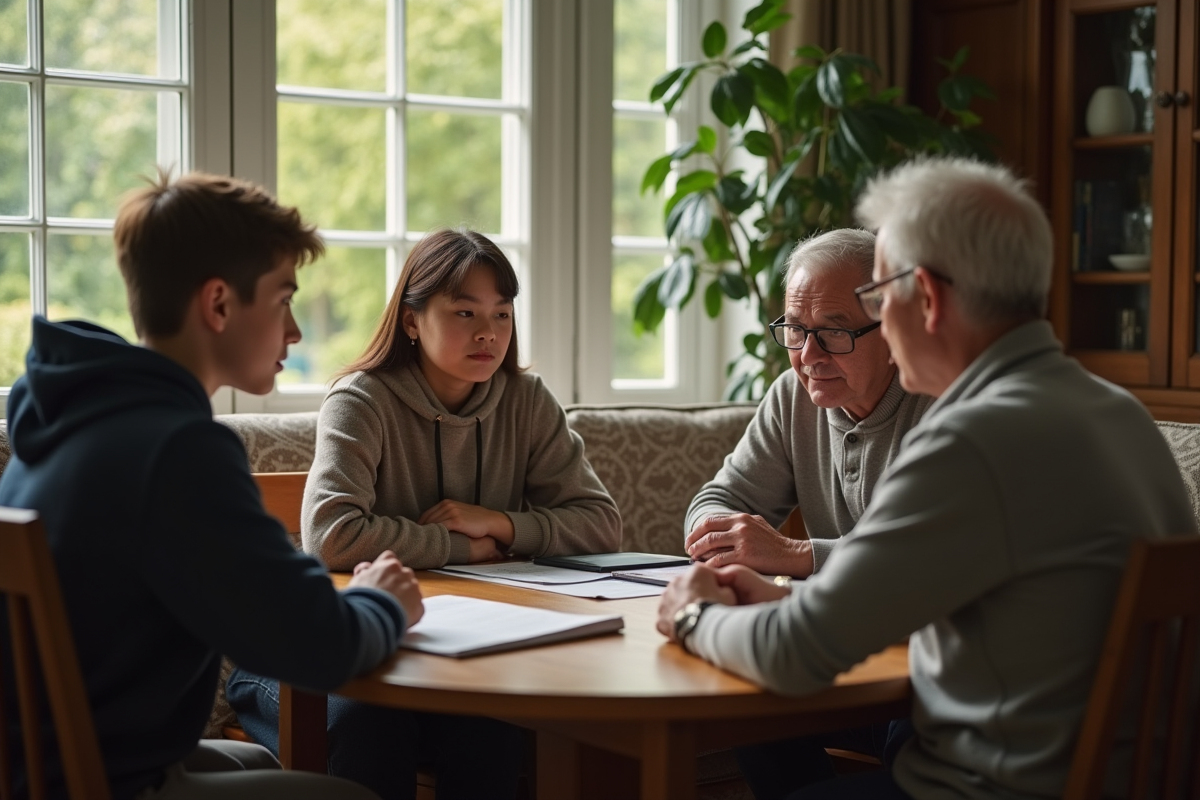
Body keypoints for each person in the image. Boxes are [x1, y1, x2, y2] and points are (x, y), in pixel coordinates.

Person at [658, 157, 1200, 800]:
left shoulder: (973, 438)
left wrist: (692, 614)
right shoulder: (1115, 411)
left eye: (882, 299)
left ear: (929, 299)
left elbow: (793, 655)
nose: (883, 321)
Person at [0, 171, 424, 800]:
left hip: (47, 769)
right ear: (219, 303)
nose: (295, 331)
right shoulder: (175, 449)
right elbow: (319, 645)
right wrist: (383, 600)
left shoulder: (70, 421)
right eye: (283, 299)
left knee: (253, 767)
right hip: (110, 783)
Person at [228, 228, 622, 800]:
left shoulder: (527, 401)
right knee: (371, 727)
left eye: (502, 314)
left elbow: (601, 523)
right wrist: (465, 547)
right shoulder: (361, 400)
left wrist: (501, 524)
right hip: (310, 658)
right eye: (464, 312)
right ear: (412, 320)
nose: (489, 332)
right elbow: (332, 537)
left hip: (446, 656)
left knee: (494, 732)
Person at [684, 228, 933, 579]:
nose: (808, 356)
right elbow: (717, 501)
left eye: (834, 332)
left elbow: (929, 552)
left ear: (891, 328)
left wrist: (796, 555)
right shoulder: (793, 396)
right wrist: (724, 540)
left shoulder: (940, 402)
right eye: (795, 329)